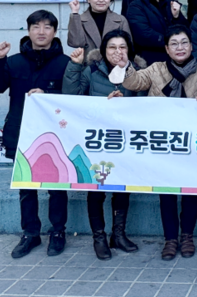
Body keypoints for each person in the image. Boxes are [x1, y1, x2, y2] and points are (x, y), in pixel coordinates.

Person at [121, 26, 197, 260]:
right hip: (164, 144)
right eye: (174, 44)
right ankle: (170, 239)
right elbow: (134, 83)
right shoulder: (156, 69)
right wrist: (126, 66)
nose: (180, 48)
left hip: (191, 144)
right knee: (166, 193)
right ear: (166, 48)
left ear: (191, 46)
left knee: (191, 192)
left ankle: (187, 236)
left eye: (184, 43)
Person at [0, 10, 71, 258]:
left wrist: (48, 95)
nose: (41, 32)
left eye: (47, 27)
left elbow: (76, 97)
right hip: (21, 132)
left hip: (54, 136)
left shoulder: (65, 63)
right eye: (36, 27)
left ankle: (58, 232)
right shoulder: (14, 62)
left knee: (57, 186)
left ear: (55, 32)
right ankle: (30, 233)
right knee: (26, 187)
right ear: (28, 30)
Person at [62, 30, 144, 260]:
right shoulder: (92, 71)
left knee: (122, 189)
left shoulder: (138, 72)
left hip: (125, 140)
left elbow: (146, 104)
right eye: (112, 47)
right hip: (96, 141)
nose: (118, 52)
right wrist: (74, 66)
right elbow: (72, 96)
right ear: (104, 50)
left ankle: (118, 235)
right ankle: (99, 238)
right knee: (96, 191)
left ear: (129, 50)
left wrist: (126, 103)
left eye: (122, 47)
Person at [126, 0, 187, 65]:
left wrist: (176, 17)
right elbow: (144, 35)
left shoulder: (169, 2)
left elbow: (185, 30)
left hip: (174, 59)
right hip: (150, 62)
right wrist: (172, 42)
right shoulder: (136, 6)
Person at [68, 0, 132, 63]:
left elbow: (128, 47)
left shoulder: (121, 20)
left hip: (116, 66)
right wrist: (75, 12)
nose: (101, 0)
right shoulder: (79, 20)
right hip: (88, 68)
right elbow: (75, 43)